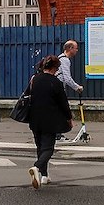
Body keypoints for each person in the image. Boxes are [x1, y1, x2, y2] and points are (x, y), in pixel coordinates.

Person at [25, 54, 73, 189]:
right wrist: (69, 118)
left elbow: (28, 95)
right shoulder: (55, 82)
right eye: (57, 68)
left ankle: (44, 176)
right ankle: (37, 167)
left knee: (40, 147)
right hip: (50, 120)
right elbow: (63, 103)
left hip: (34, 118)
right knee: (48, 148)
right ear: (54, 68)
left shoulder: (34, 79)